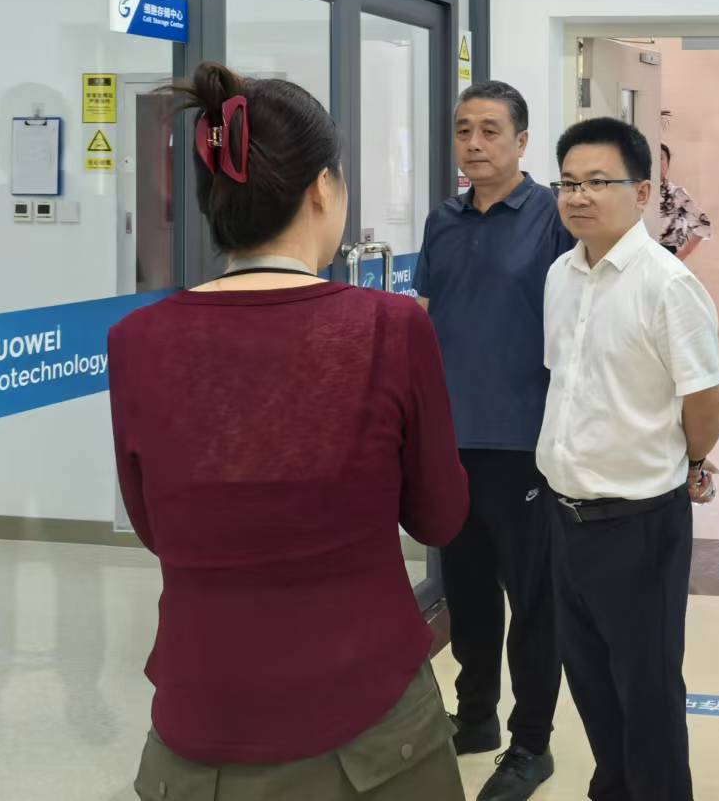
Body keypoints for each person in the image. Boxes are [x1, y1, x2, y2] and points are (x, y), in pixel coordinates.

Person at [108, 63, 468, 801]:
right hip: (371, 731)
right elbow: (439, 516)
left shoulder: (137, 340)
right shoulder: (389, 327)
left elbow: (153, 525)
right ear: (322, 190)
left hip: (199, 729)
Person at [538, 117, 719, 801]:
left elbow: (704, 398)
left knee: (646, 691)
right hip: (566, 517)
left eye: (598, 181)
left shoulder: (668, 285)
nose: (579, 196)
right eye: (568, 183)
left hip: (639, 522)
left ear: (642, 192)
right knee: (589, 679)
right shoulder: (561, 274)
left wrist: (693, 459)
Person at [414, 81, 574, 801]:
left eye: (489, 130)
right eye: (463, 130)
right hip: (451, 441)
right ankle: (474, 715)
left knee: (534, 601)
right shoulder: (441, 221)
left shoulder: (552, 218)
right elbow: (428, 315)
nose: (474, 143)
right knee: (468, 591)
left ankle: (531, 743)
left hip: (526, 445)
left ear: (521, 141)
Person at [657, 142, 713, 260]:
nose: (656, 162)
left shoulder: (676, 193)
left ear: (667, 164)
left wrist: (684, 253)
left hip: (667, 256)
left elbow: (703, 224)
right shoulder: (635, 192)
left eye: (660, 157)